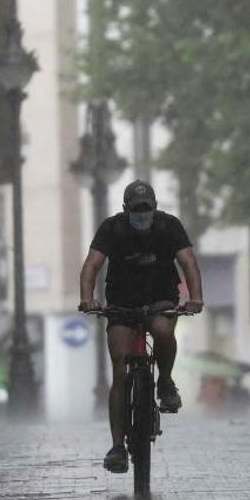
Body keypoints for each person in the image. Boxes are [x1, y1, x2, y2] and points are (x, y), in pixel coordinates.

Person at [78, 180, 204, 473]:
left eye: (146, 209)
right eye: (136, 210)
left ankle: (165, 381)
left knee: (162, 331)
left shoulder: (169, 226)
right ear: (125, 210)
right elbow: (91, 266)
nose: (141, 214)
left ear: (155, 207)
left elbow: (188, 263)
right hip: (122, 301)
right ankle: (117, 446)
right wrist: (88, 298)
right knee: (120, 368)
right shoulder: (112, 229)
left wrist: (195, 298)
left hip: (161, 297)